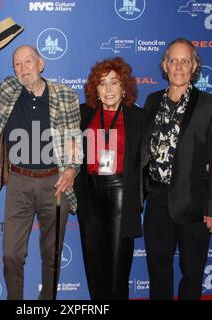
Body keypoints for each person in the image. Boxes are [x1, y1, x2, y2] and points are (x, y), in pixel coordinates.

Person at [0, 28, 81, 300]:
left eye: (28, 61)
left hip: (55, 182)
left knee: (52, 253)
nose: (23, 68)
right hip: (19, 182)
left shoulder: (65, 95)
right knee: (12, 254)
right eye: (17, 64)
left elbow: (74, 139)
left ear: (41, 64)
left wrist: (72, 169)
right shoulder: (6, 91)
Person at [141, 38, 212, 300]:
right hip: (156, 200)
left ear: (194, 67)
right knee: (158, 271)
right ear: (165, 66)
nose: (178, 66)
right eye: (173, 60)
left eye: (185, 61)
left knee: (192, 273)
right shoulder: (152, 100)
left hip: (194, 203)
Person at [74, 57, 144, 299]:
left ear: (124, 87)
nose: (108, 89)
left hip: (121, 193)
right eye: (102, 84)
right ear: (96, 89)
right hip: (89, 192)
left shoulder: (138, 117)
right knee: (93, 262)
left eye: (114, 83)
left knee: (116, 264)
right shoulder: (84, 113)